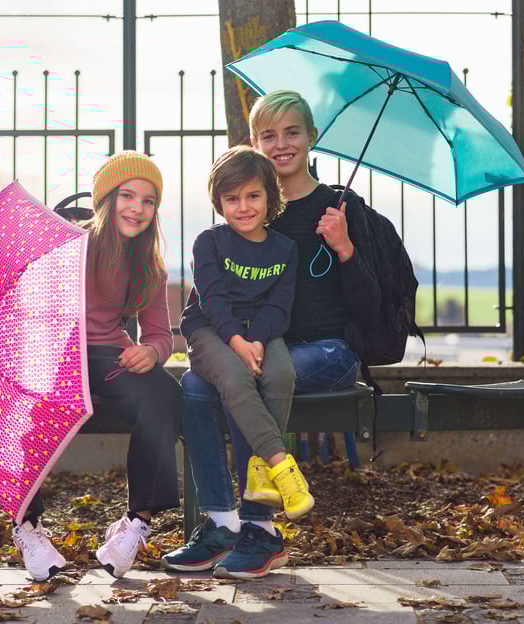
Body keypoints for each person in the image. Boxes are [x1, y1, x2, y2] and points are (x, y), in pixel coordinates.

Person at [162, 90, 381, 579]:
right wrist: (232, 335)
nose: (281, 144)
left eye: (292, 132)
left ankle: (261, 528)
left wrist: (345, 248)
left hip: (325, 349)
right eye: (268, 134)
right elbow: (212, 294)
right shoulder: (248, 205)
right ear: (254, 143)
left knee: (252, 377)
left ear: (311, 137)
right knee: (195, 384)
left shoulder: (340, 207)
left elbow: (372, 303)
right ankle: (221, 523)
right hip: (258, 341)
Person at [12, 151, 183, 582]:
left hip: (111, 362)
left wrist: (152, 352)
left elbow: (161, 335)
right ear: (106, 199)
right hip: (56, 359)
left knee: (165, 392)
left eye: (148, 201)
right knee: (27, 403)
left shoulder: (149, 265)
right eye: (127, 196)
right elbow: (31, 313)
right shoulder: (69, 246)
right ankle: (27, 526)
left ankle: (136, 523)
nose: (138, 208)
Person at [179, 145, 313, 525]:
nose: (243, 207)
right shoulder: (209, 242)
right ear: (219, 202)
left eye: (253, 196)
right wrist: (237, 341)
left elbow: (279, 306)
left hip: (261, 332)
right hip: (209, 331)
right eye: (232, 198)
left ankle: (258, 469)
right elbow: (213, 299)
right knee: (236, 375)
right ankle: (282, 467)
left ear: (269, 196)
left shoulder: (285, 249)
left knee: (281, 373)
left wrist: (257, 340)